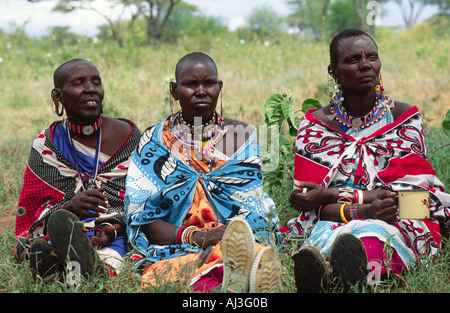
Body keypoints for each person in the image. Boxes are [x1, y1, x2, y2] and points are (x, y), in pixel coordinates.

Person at [287, 29, 450, 292]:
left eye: (371, 57)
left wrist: (337, 195)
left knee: (378, 234)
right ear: (333, 71)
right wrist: (361, 211)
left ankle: (337, 275)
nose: (365, 65)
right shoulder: (315, 126)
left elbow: (418, 199)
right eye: (352, 59)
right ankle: (333, 271)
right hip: (335, 218)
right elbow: (313, 206)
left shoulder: (404, 118)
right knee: (328, 232)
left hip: (398, 214)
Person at [125, 52, 283, 293]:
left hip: (237, 239)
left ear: (219, 88)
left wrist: (228, 236)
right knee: (164, 269)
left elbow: (252, 207)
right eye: (190, 84)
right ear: (174, 91)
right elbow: (143, 220)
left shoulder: (242, 136)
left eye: (209, 83)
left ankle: (232, 272)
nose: (201, 90)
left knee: (251, 252)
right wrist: (194, 237)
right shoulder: (153, 142)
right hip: (178, 243)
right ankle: (227, 279)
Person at [14, 59, 141, 282]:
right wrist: (70, 207)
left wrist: (113, 226)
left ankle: (73, 271)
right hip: (66, 230)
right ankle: (62, 265)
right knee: (54, 234)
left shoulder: (129, 137)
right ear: (57, 96)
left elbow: (143, 198)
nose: (91, 88)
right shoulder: (48, 145)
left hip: (114, 232)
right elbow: (34, 209)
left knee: (117, 253)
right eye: (79, 82)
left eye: (96, 82)